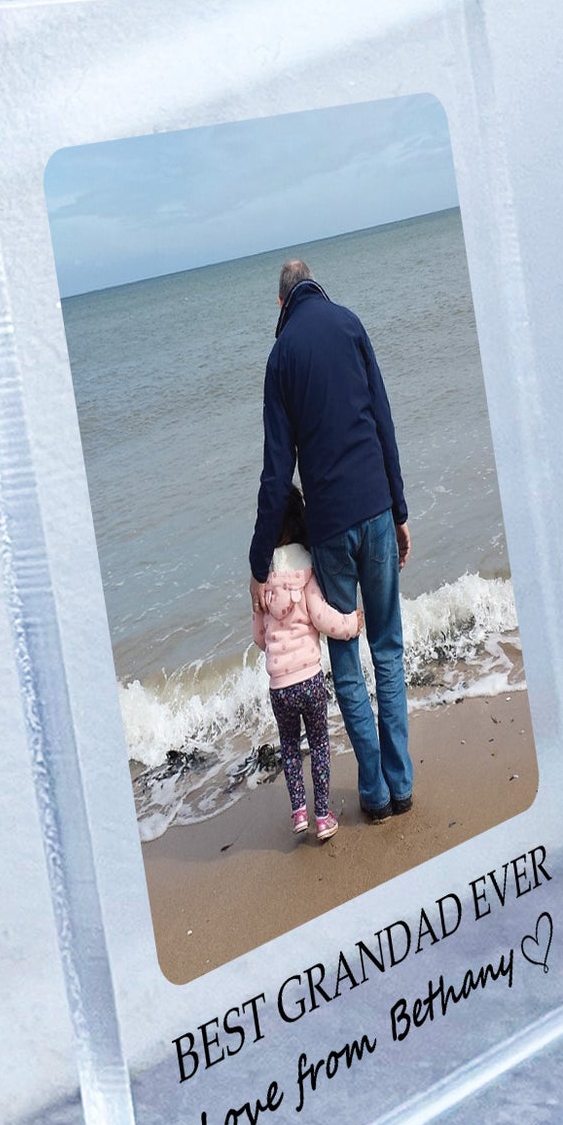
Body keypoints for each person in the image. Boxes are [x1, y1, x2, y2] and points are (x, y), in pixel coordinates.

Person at [249, 257, 414, 823]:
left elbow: (277, 472)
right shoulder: (350, 323)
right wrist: (399, 509)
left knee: (346, 658)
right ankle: (401, 783)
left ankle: (375, 795)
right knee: (387, 647)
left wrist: (259, 560)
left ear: (280, 303)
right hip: (375, 506)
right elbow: (383, 421)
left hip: (329, 526)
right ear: (316, 285)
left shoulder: (280, 358)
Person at [251, 483, 358, 841]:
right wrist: (352, 624)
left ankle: (299, 812)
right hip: (310, 680)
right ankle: (323, 816)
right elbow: (323, 618)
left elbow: (259, 637)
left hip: (279, 687)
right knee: (320, 745)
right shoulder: (307, 571)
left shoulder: (262, 581)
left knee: (290, 748)